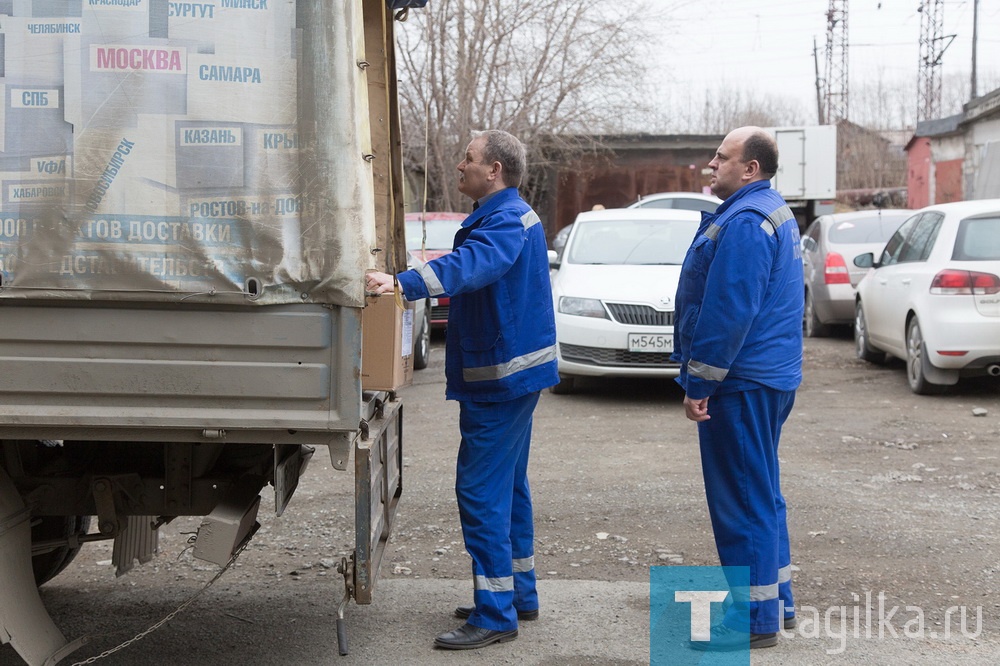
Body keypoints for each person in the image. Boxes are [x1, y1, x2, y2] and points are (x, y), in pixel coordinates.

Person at [366, 129, 558, 650]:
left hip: (500, 381)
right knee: (509, 488)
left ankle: (496, 614)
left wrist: (402, 282)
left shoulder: (501, 221)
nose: (459, 166)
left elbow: (475, 265)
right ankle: (518, 594)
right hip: (512, 377)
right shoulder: (510, 214)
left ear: (494, 170)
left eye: (468, 159)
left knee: (479, 492)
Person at [671, 126, 803, 651]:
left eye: (721, 158)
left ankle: (753, 621)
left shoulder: (748, 222)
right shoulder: (770, 210)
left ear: (750, 168)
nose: (711, 164)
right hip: (766, 375)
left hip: (741, 380)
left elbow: (729, 312)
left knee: (741, 498)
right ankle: (777, 601)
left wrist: (699, 381)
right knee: (761, 492)